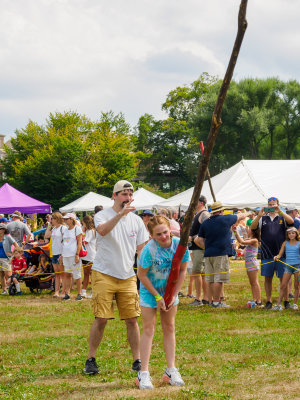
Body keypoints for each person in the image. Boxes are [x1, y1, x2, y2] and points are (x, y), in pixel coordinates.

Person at [84, 180, 149, 375]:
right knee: (101, 318)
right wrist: (120, 215)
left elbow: (141, 248)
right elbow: (102, 231)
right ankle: (91, 359)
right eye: (123, 195)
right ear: (114, 195)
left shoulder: (136, 221)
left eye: (130, 195)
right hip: (103, 272)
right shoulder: (102, 215)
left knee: (132, 319)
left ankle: (137, 360)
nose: (127, 198)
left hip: (127, 275)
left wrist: (146, 270)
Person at [136, 215, 190, 389]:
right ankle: (143, 373)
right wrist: (157, 297)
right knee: (149, 328)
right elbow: (141, 275)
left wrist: (173, 294)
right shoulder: (148, 250)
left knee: (169, 327)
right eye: (158, 234)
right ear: (151, 235)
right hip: (150, 292)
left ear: (170, 229)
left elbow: (182, 270)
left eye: (165, 232)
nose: (163, 237)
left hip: (170, 292)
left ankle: (171, 370)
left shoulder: (179, 246)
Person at [195, 201, 248, 308]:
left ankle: (210, 301)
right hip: (221, 253)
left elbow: (198, 240)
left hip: (208, 254)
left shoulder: (206, 223)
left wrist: (206, 248)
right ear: (221, 211)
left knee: (210, 279)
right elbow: (241, 216)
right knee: (219, 279)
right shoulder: (226, 219)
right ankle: (216, 302)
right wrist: (248, 214)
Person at [250, 197, 294, 309]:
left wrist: (281, 212)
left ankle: (286, 301)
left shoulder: (282, 217)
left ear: (278, 204)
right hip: (266, 253)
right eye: (270, 204)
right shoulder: (262, 218)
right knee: (267, 278)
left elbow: (291, 221)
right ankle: (269, 301)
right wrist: (259, 215)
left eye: (273, 204)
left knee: (283, 278)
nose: (271, 206)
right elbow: (252, 227)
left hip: (281, 253)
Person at [188, 195, 210, 306]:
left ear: (201, 203)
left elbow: (209, 229)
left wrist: (194, 237)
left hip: (200, 248)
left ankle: (199, 299)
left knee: (196, 273)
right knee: (201, 273)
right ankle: (205, 298)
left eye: (194, 201)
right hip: (197, 248)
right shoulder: (198, 214)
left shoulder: (204, 214)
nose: (192, 203)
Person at [233, 227, 262, 306]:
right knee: (252, 283)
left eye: (249, 229)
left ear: (252, 231)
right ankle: (255, 299)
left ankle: (259, 301)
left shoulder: (254, 240)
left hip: (252, 263)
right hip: (249, 263)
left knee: (255, 282)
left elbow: (242, 241)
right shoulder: (250, 239)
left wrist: (236, 232)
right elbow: (242, 245)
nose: (247, 230)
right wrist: (239, 251)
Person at [273, 227, 299, 310]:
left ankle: (295, 304)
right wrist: (277, 257)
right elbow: (280, 254)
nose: (291, 235)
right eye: (289, 233)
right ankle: (278, 305)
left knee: (297, 286)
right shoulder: (285, 243)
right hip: (288, 267)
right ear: (287, 235)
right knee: (283, 285)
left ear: (296, 234)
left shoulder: (299, 243)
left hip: (297, 267)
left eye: (293, 233)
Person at [59, 213, 83, 301]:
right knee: (67, 274)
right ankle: (67, 293)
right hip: (66, 255)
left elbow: (79, 242)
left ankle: (79, 293)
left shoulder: (77, 229)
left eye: (66, 219)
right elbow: (64, 243)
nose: (65, 220)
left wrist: (77, 254)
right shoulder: (65, 230)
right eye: (64, 219)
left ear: (72, 219)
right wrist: (62, 255)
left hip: (73, 255)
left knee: (77, 274)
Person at [45, 212, 66, 298]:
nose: (51, 220)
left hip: (60, 253)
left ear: (56, 219)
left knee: (62, 274)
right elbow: (46, 235)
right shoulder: (54, 229)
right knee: (57, 274)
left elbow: (65, 241)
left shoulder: (63, 228)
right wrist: (49, 226)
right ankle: (56, 291)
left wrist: (63, 254)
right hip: (54, 253)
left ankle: (63, 291)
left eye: (52, 219)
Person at [81, 215, 96, 298]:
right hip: (85, 256)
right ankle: (84, 291)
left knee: (91, 274)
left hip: (91, 255)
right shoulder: (87, 231)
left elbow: (85, 241)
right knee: (86, 273)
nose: (83, 225)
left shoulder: (91, 231)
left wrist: (82, 232)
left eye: (83, 223)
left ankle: (93, 291)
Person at [0, 223, 18, 295]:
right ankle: (4, 290)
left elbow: (16, 245)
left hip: (6, 259)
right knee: (1, 275)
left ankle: (12, 288)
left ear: (4, 230)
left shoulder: (8, 237)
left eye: (0, 229)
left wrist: (13, 255)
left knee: (8, 275)